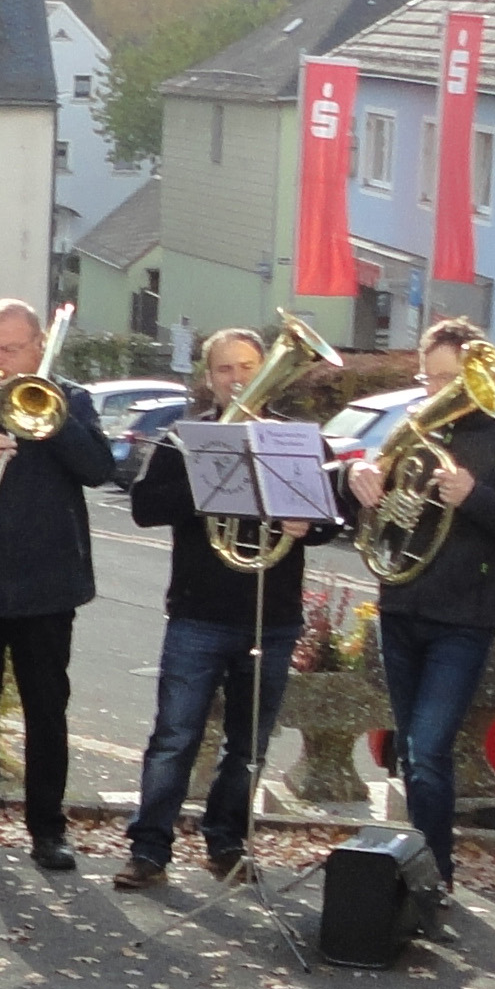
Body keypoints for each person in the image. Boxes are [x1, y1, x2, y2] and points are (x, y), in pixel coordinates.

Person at [343, 317, 495, 894]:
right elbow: (360, 502)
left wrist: (474, 497)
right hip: (400, 606)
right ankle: (414, 870)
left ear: (478, 377)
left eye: (449, 379)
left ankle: (435, 874)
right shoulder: (408, 432)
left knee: (428, 750)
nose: (435, 391)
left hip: (463, 618)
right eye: (428, 377)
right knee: (411, 756)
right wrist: (357, 476)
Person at [118, 325, 314, 890]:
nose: (239, 379)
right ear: (209, 379)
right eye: (226, 369)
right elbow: (144, 508)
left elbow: (330, 516)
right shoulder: (184, 440)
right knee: (174, 738)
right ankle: (150, 847)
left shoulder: (295, 441)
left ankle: (226, 841)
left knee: (249, 747)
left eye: (250, 366)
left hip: (271, 616)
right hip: (198, 613)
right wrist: (209, 483)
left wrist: (310, 522)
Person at [0, 299, 115, 871]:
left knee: (46, 710)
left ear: (38, 347)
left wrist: (51, 419)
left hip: (46, 585)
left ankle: (47, 831)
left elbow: (98, 469)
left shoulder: (71, 399)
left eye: (11, 349)